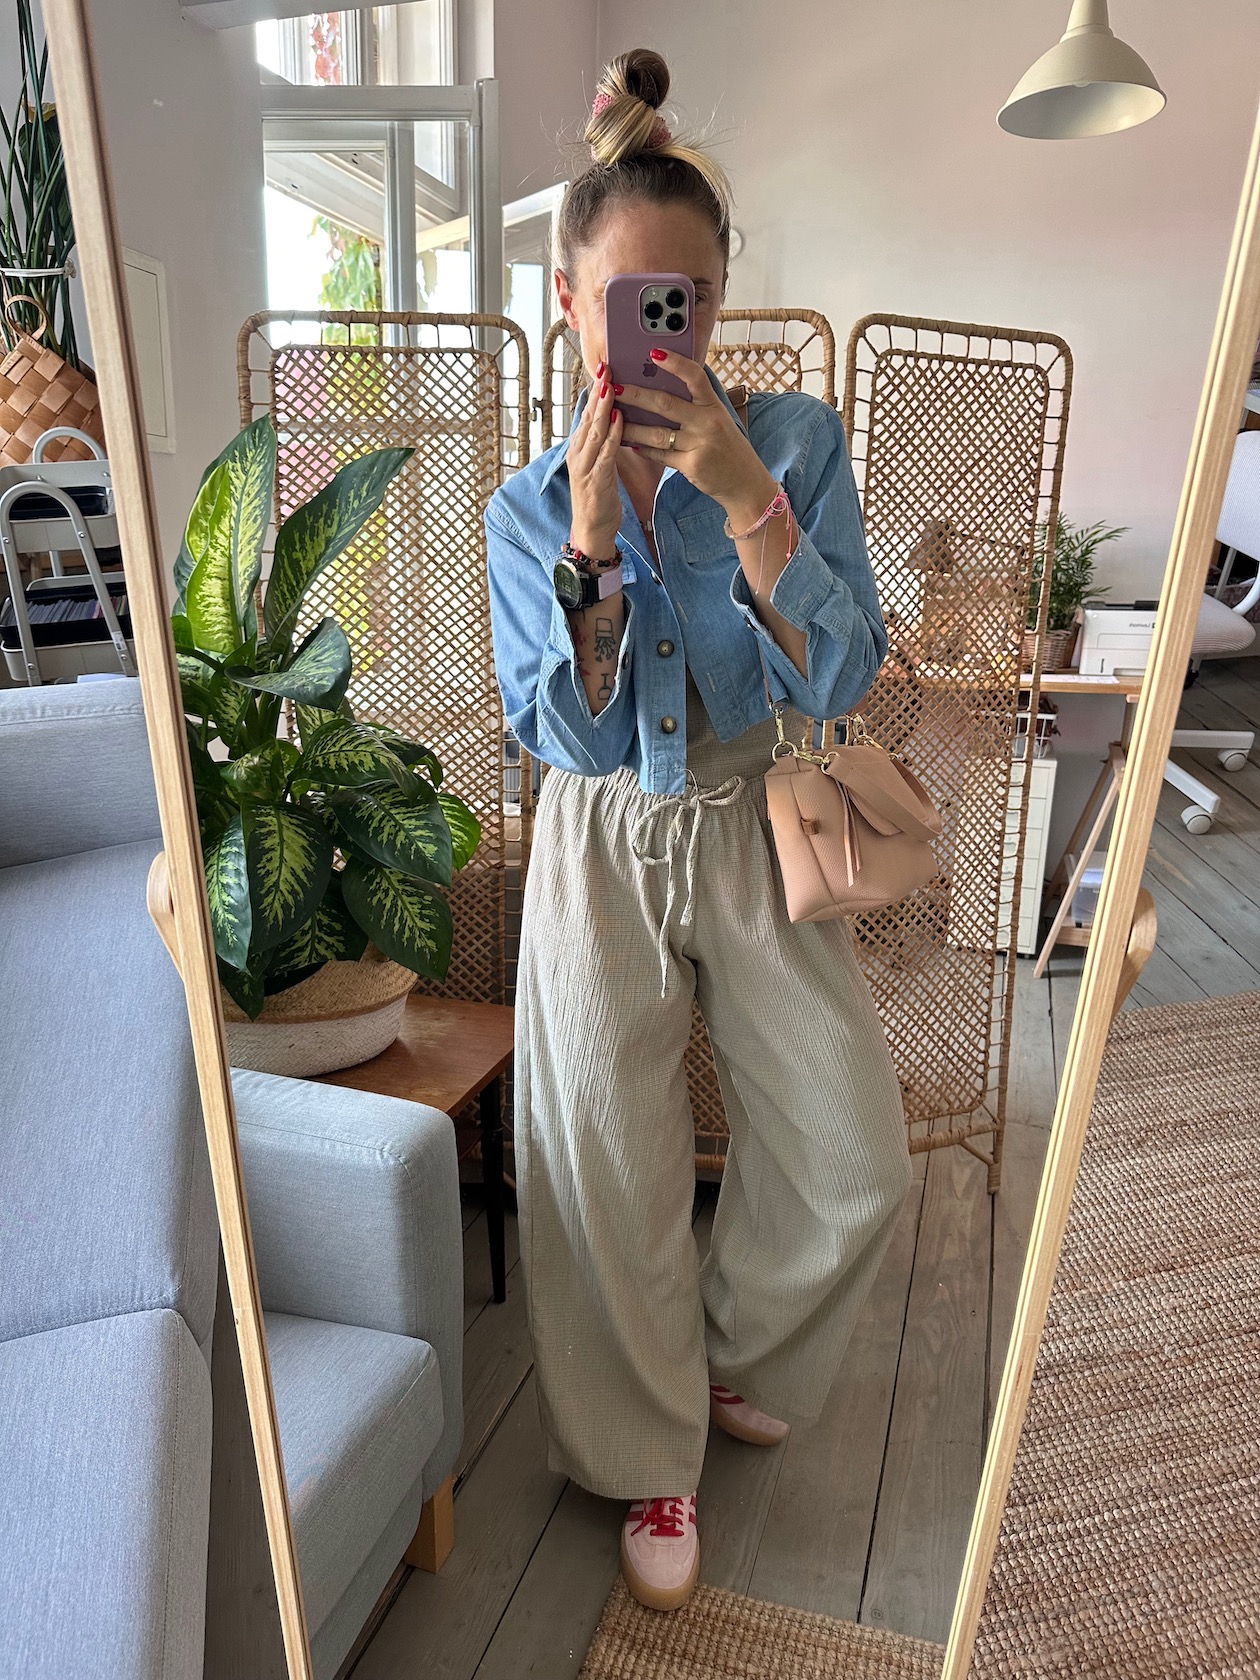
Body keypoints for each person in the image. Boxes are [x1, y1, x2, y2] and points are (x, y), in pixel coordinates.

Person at [485, 47, 913, 1613]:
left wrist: (747, 504)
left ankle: (719, 1355)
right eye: (628, 304)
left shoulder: (792, 441)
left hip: (749, 819)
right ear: (568, 302)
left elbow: (847, 673)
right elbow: (564, 736)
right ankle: (649, 1449)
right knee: (607, 1159)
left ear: (720, 301)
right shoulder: (530, 505)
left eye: (691, 302)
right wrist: (594, 549)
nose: (662, 334)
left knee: (856, 1155)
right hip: (600, 843)